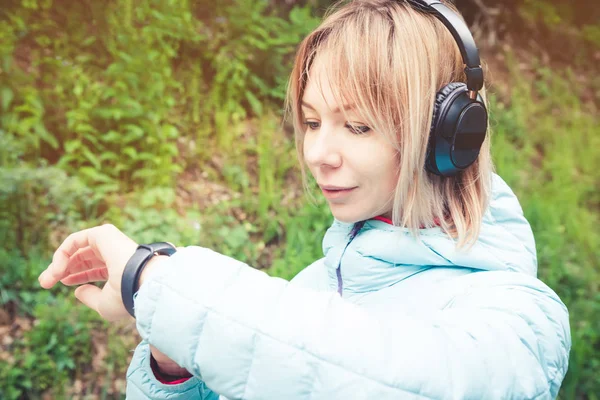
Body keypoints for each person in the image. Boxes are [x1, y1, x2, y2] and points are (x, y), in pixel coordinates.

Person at [38, 0, 571, 399]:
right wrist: (169, 358)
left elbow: (380, 376)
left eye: (357, 125)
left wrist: (155, 284)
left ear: (450, 137)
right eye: (312, 121)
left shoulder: (521, 322)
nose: (316, 152)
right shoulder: (313, 287)